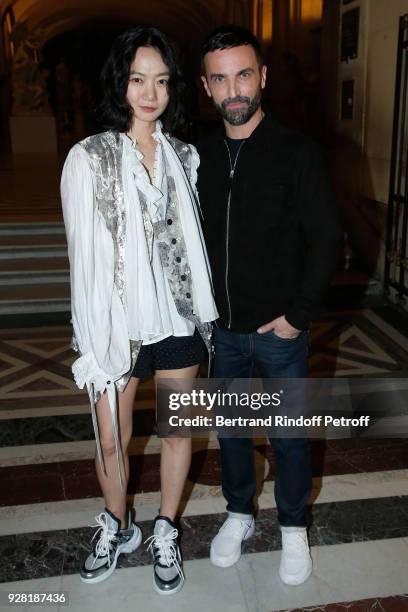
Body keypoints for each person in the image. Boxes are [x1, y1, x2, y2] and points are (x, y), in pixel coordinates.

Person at [61, 26, 217, 595]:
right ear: (119, 83)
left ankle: (166, 529)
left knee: (178, 431)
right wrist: (91, 338)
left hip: (177, 318)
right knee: (111, 439)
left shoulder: (185, 156)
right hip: (118, 325)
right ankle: (117, 523)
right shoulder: (89, 158)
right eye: (137, 80)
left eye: (161, 81)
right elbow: (82, 259)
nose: (150, 93)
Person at [197, 25, 342, 585]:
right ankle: (238, 512)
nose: (234, 89)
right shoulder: (197, 158)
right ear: (207, 88)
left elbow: (327, 239)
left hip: (279, 329)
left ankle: (293, 527)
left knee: (288, 435)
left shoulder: (298, 152)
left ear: (263, 77)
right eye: (220, 78)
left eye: (243, 74)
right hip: (222, 332)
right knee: (232, 431)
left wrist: (299, 315)